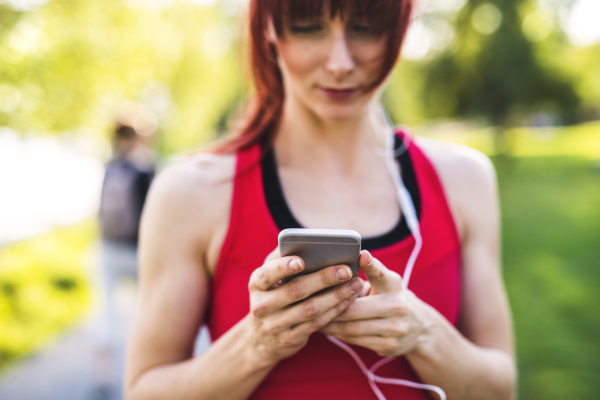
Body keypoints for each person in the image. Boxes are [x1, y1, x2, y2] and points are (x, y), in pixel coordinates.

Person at [124, 1, 516, 399]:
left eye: (364, 27)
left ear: (399, 32)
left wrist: (423, 334)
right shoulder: (192, 193)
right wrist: (257, 345)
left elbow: (501, 391)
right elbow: (142, 391)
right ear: (270, 32)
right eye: (310, 28)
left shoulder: (464, 179)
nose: (340, 63)